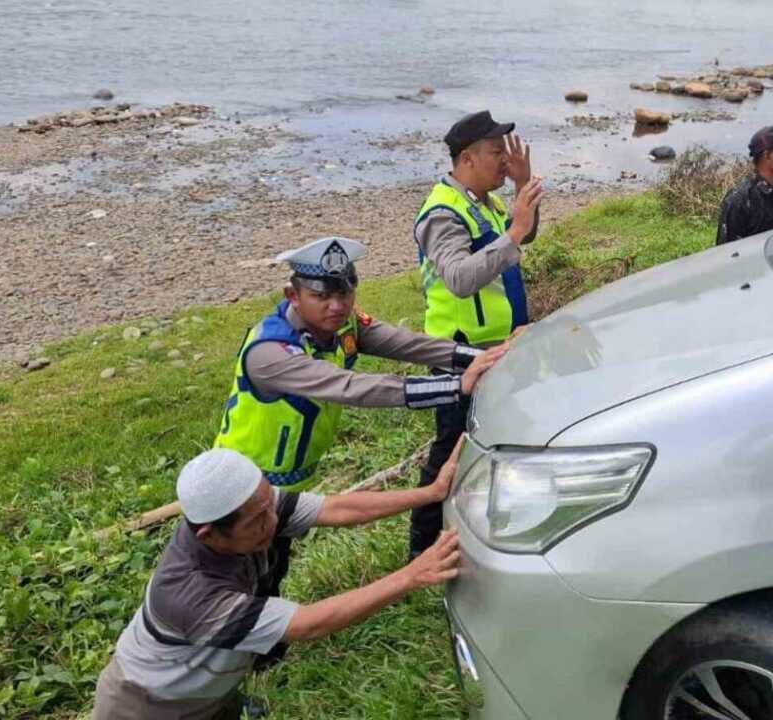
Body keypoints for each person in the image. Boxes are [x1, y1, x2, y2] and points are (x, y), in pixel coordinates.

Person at [92, 445, 465, 719]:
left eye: (270, 504)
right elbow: (308, 623)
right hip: (149, 704)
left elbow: (336, 508)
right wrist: (411, 576)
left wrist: (429, 493)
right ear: (208, 535)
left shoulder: (253, 507)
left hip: (208, 686)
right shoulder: (192, 593)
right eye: (258, 519)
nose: (273, 521)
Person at [212, 236, 508, 491]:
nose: (337, 306)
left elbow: (406, 344)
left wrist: (485, 357)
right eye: (321, 296)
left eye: (344, 294)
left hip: (283, 487)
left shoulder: (344, 324)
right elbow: (350, 387)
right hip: (238, 487)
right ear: (293, 296)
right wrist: (456, 386)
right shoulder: (271, 352)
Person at [410, 110, 542, 557]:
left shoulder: (487, 200)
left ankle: (484, 532)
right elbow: (460, 278)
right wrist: (517, 231)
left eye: (506, 152)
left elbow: (521, 238)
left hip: (497, 346)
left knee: (495, 439)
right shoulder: (443, 213)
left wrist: (524, 192)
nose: (504, 160)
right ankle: (421, 551)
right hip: (458, 352)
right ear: (466, 158)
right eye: (494, 153)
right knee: (451, 450)